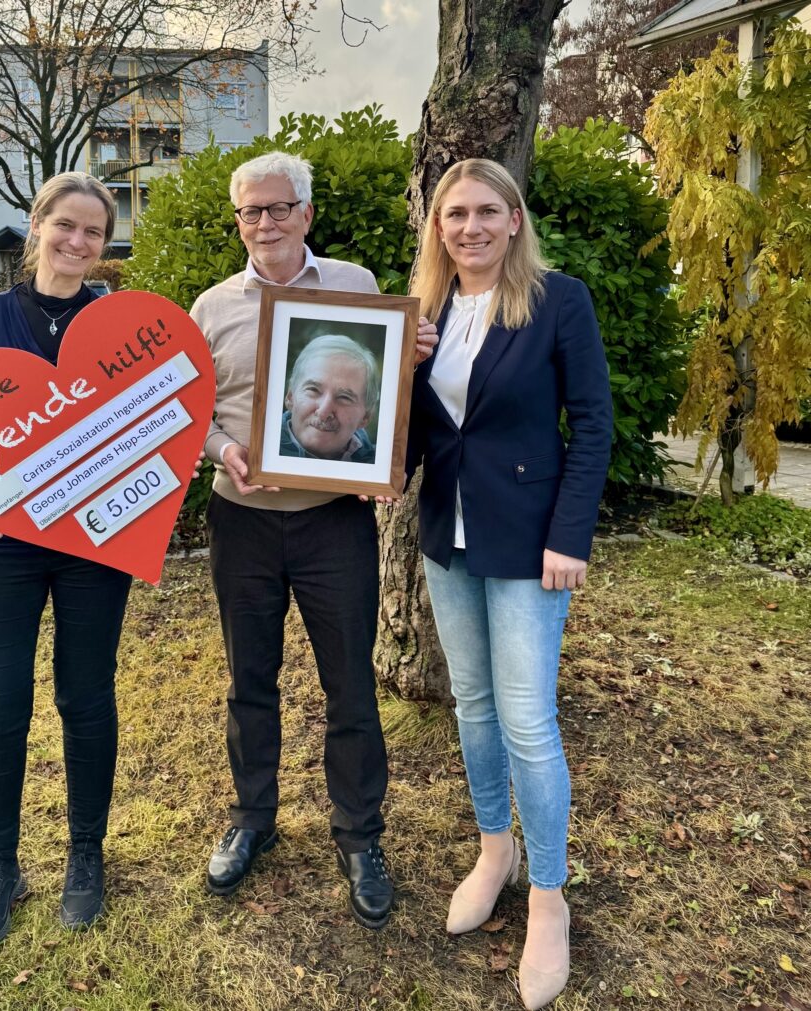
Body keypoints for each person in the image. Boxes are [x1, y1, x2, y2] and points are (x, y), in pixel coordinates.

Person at [190, 151, 436, 929]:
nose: (264, 222)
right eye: (250, 212)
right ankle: (251, 817)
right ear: (239, 221)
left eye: (278, 207)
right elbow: (190, 411)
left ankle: (360, 835)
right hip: (242, 518)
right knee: (248, 682)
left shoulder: (358, 288)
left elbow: (385, 395)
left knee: (350, 688)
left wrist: (411, 359)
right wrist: (223, 451)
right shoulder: (210, 306)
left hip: (335, 520)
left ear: (306, 211)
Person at [406, 159, 612, 1008]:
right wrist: (403, 378)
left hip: (531, 542)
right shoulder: (424, 311)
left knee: (529, 719)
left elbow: (593, 422)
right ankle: (497, 849)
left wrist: (570, 536)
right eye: (455, 213)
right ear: (439, 226)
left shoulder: (558, 300)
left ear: (515, 218)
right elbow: (412, 428)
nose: (471, 226)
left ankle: (549, 898)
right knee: (475, 704)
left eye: (487, 210)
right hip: (446, 537)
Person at [0, 172, 133, 950]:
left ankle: (85, 855)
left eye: (94, 231)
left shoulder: (122, 324)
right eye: (66, 225)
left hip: (95, 545)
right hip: (0, 547)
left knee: (85, 697)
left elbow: (148, 423)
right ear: (37, 225)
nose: (78, 242)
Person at [280, 333, 379, 463]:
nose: (323, 412)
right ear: (290, 396)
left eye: (344, 398)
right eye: (313, 390)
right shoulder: (255, 452)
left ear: (365, 417)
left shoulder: (381, 469)